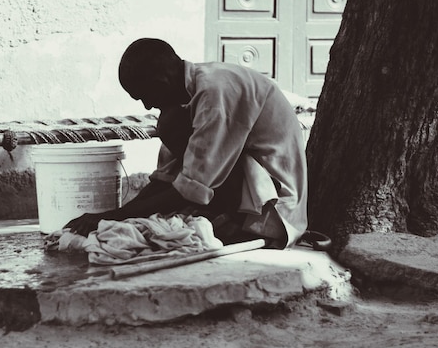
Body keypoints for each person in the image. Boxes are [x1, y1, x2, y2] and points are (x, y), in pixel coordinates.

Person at [64, 38, 308, 248]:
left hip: (275, 209)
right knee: (170, 130)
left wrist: (115, 216)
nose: (148, 107)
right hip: (248, 190)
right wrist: (115, 217)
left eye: (145, 97)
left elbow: (191, 187)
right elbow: (166, 179)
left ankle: (234, 224)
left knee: (175, 212)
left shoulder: (215, 94)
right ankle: (224, 218)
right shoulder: (190, 94)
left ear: (162, 81)